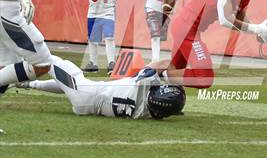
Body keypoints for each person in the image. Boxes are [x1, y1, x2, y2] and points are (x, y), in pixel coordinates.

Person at [12, 56, 185, 120]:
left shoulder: (142, 84)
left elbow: (165, 63)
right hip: (86, 105)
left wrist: (166, 75)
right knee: (68, 84)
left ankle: (9, 66)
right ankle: (26, 83)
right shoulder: (150, 114)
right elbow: (166, 105)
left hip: (87, 91)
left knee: (45, 59)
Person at [82, 0, 122, 75]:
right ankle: (93, 63)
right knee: (93, 39)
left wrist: (111, 4)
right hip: (93, 11)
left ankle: (111, 63)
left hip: (107, 11)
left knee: (109, 37)